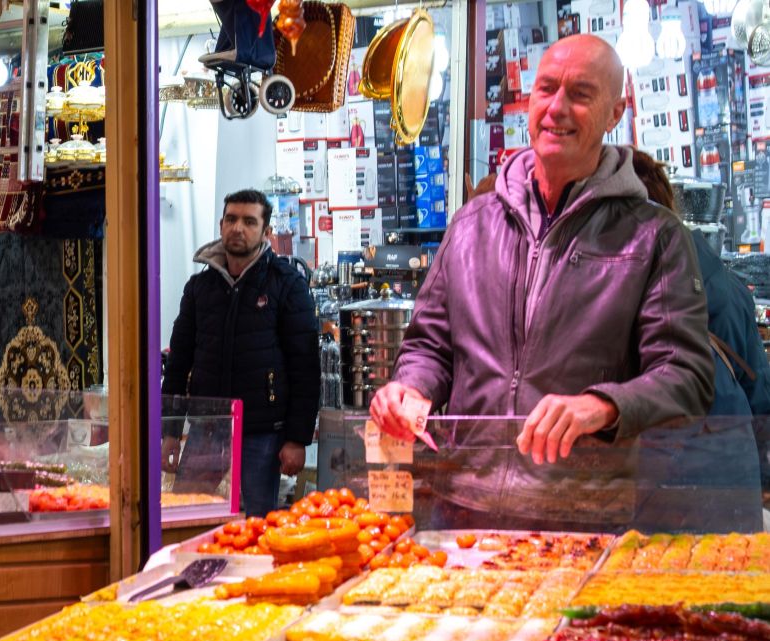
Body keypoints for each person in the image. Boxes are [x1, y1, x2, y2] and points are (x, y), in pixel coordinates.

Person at [370, 34, 713, 530]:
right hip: (464, 504)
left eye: (580, 94)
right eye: (546, 89)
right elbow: (430, 345)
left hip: (582, 512)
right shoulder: (471, 224)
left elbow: (687, 374)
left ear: (616, 113)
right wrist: (410, 388)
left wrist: (604, 405)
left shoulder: (655, 236)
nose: (557, 109)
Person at [628, 150, 770, 530]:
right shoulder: (730, 287)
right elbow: (760, 399)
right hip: (732, 479)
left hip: (658, 491)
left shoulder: (620, 289)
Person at [162, 189, 320, 515]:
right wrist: (170, 432)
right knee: (185, 516)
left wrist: (297, 439)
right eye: (231, 219)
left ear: (266, 233)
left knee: (257, 527)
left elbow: (306, 368)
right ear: (221, 225)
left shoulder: (287, 284)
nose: (238, 228)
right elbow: (178, 362)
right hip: (206, 428)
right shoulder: (199, 289)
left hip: (261, 433)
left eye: (249, 221)